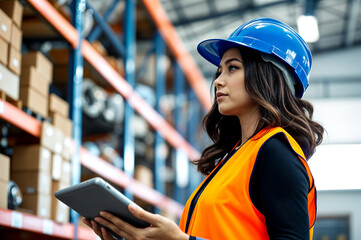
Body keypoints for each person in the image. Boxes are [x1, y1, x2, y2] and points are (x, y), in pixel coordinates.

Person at [83, 17, 324, 240]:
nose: (218, 80)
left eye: (232, 68)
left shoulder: (277, 153)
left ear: (268, 75)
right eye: (220, 71)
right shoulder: (236, 157)